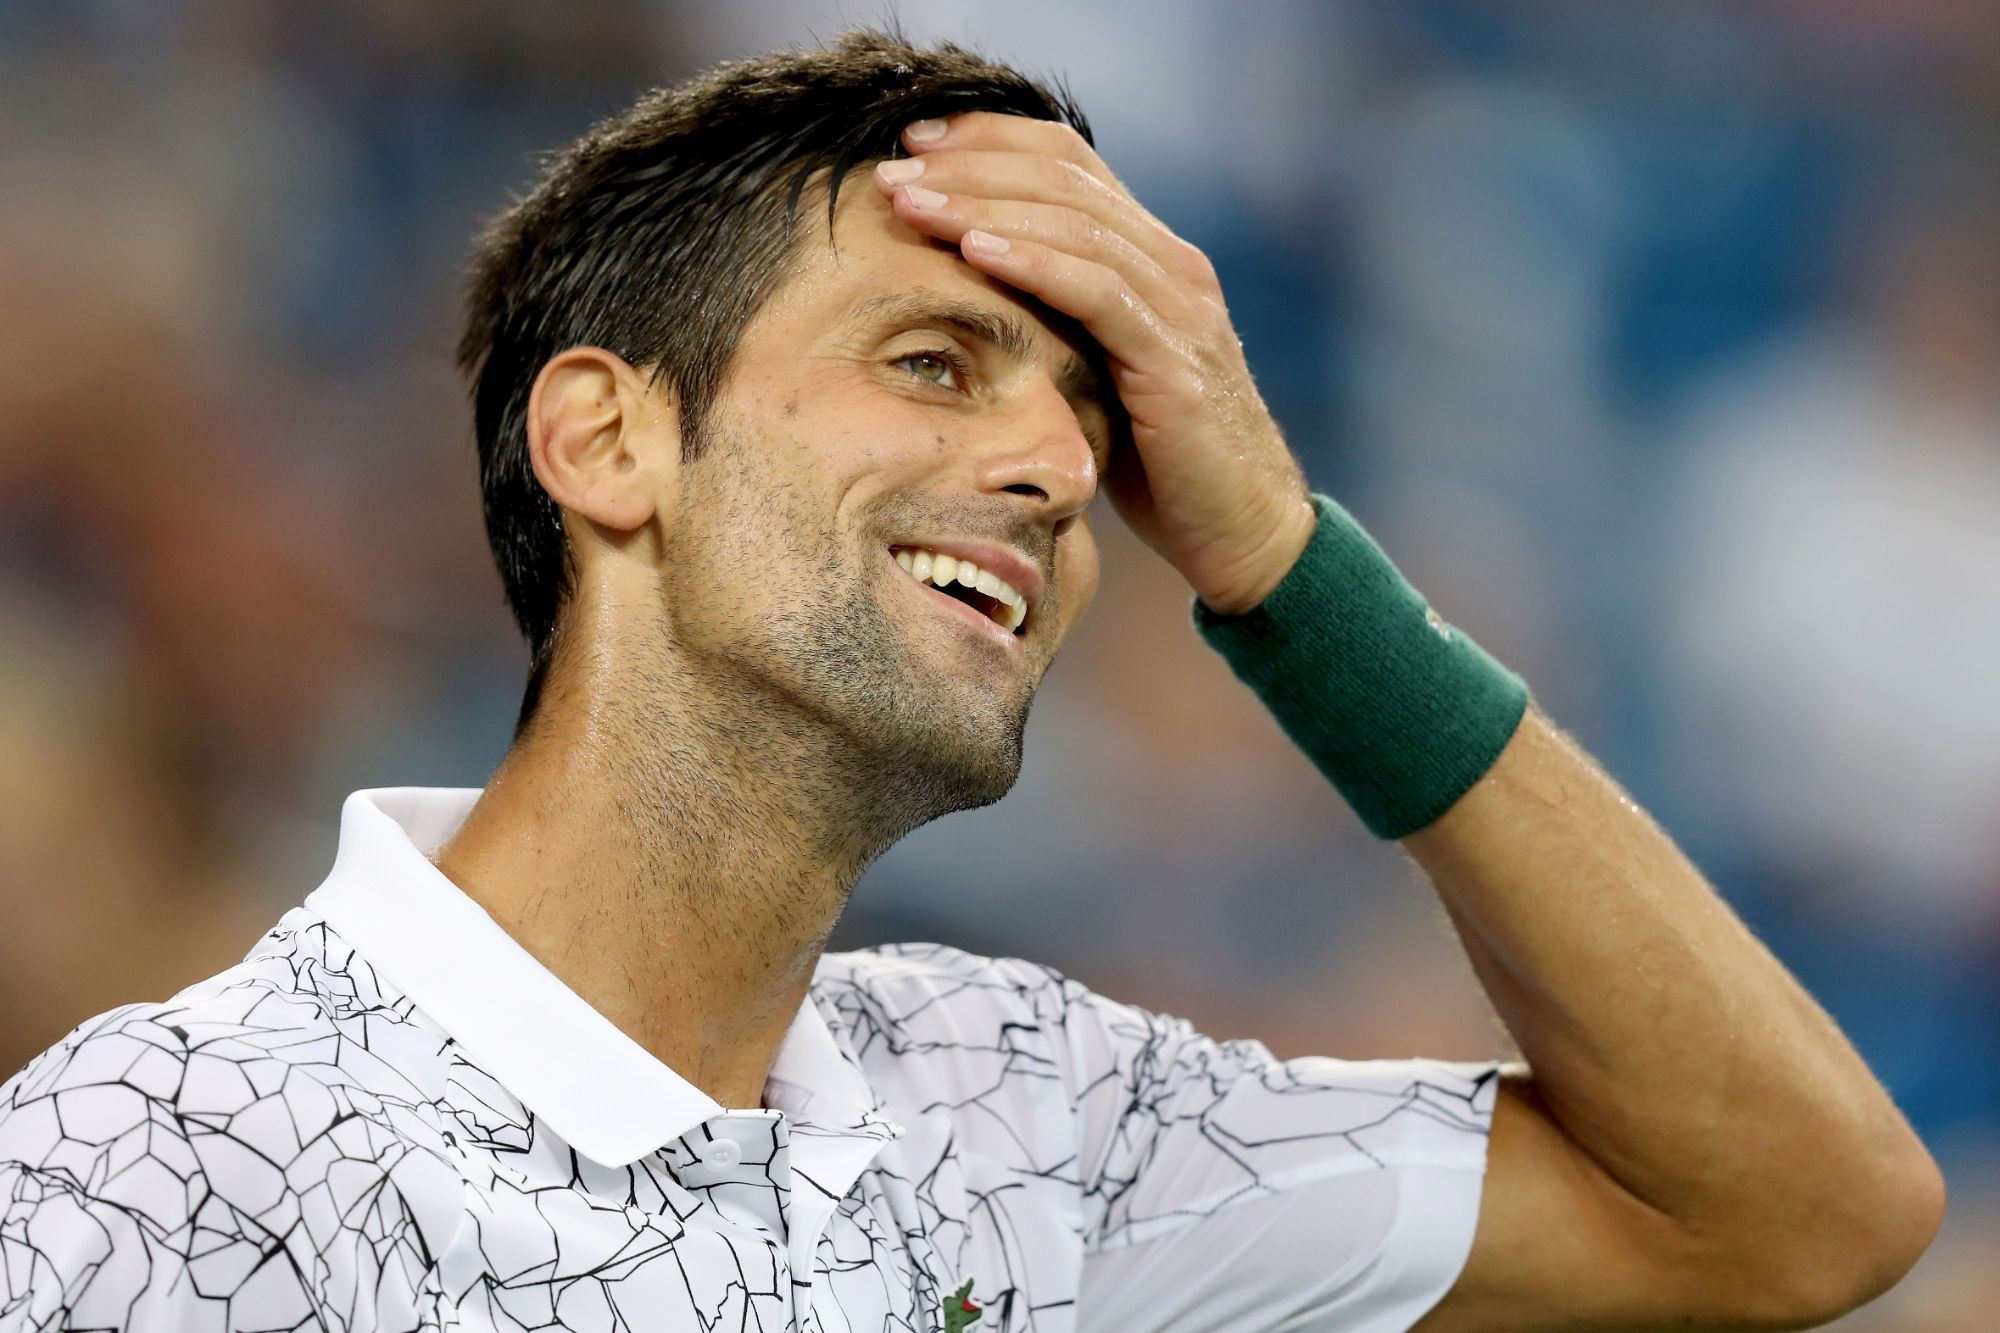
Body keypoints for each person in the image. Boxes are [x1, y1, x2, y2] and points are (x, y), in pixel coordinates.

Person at [0, 29, 1942, 1332]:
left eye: (1094, 419)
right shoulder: (147, 1175)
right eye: (931, 362)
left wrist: (1288, 569)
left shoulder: (1035, 1110)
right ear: (608, 440)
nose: (1058, 470)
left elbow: (1802, 1209)